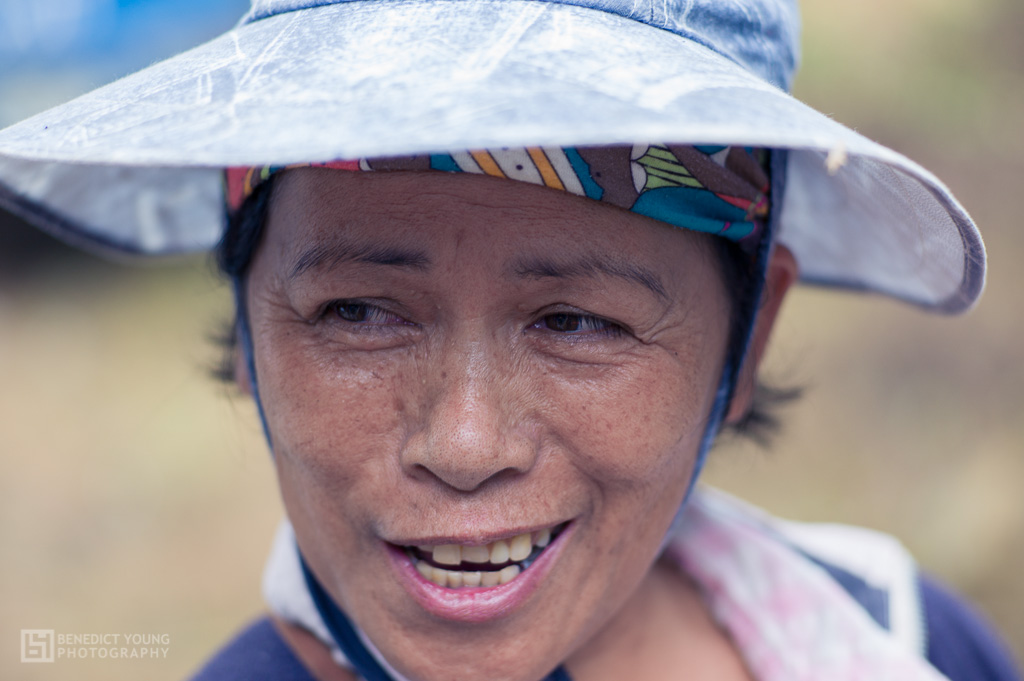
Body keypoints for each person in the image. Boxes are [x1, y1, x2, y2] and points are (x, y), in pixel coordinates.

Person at [0, 1, 1018, 680]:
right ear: (250, 328)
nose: (465, 443)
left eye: (577, 322)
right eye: (359, 313)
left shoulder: (903, 638)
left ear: (747, 341)